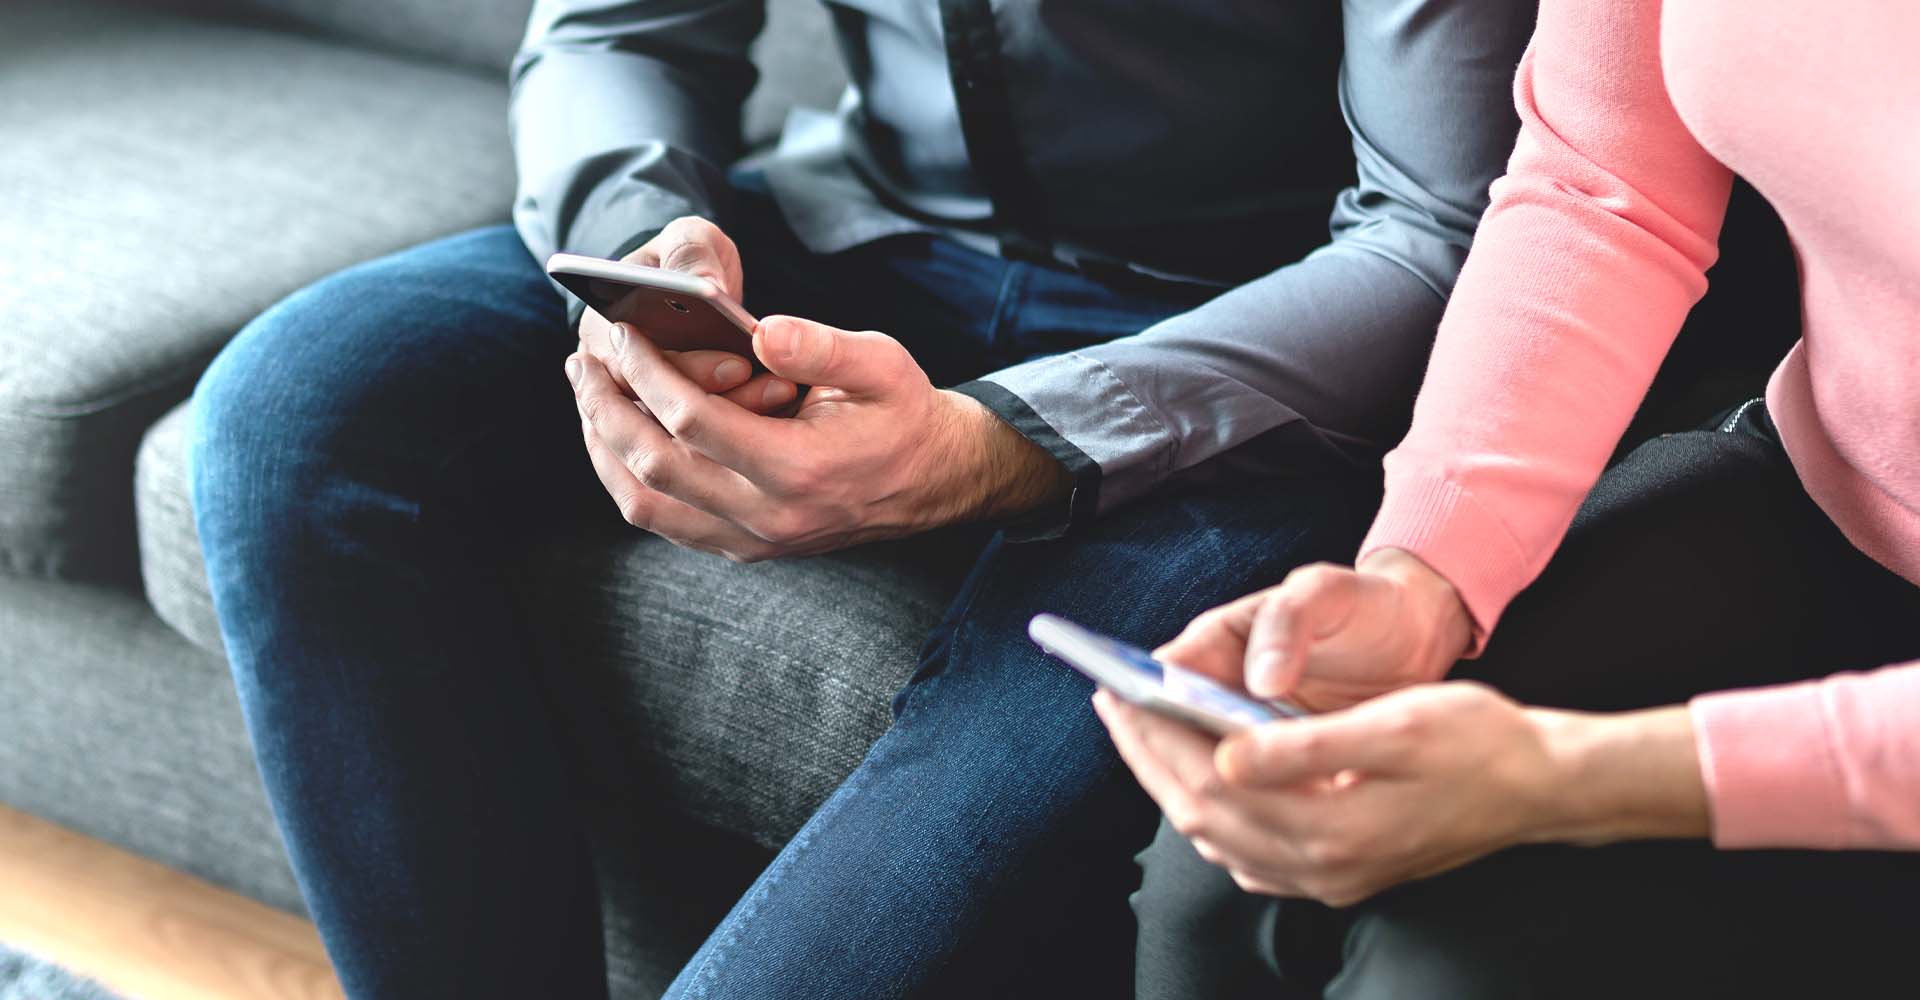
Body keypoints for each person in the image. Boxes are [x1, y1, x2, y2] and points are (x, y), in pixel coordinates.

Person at [187, 1, 1532, 997]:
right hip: (856, 225)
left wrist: (993, 443)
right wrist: (655, 245)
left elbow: (1444, 231)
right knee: (293, 416)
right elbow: (616, 29)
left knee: (1023, 754)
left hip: (1256, 343)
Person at [1101, 0, 1920, 996]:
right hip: (1834, 481)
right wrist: (1423, 576)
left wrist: (1568, 777)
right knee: (1231, 878)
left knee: (1436, 976)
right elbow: (1605, 182)